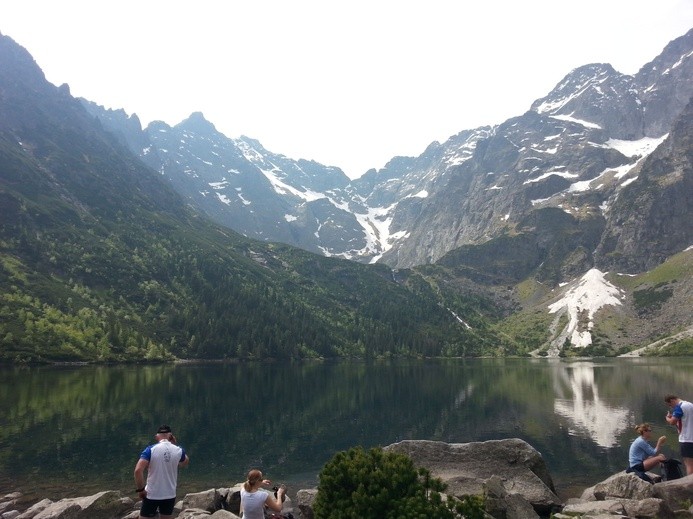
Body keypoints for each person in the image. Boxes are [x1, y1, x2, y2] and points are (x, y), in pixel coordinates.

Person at [134, 424, 190, 519]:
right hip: (169, 495)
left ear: (157, 437)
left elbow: (138, 470)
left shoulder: (150, 450)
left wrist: (141, 490)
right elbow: (185, 462)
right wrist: (174, 445)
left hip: (152, 494)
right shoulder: (178, 451)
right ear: (171, 436)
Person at [664, 394, 693, 475]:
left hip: (686, 439)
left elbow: (672, 422)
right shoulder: (690, 405)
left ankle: (690, 484)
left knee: (689, 464)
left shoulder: (679, 407)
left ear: (672, 400)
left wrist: (668, 418)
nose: (671, 407)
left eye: (670, 405)